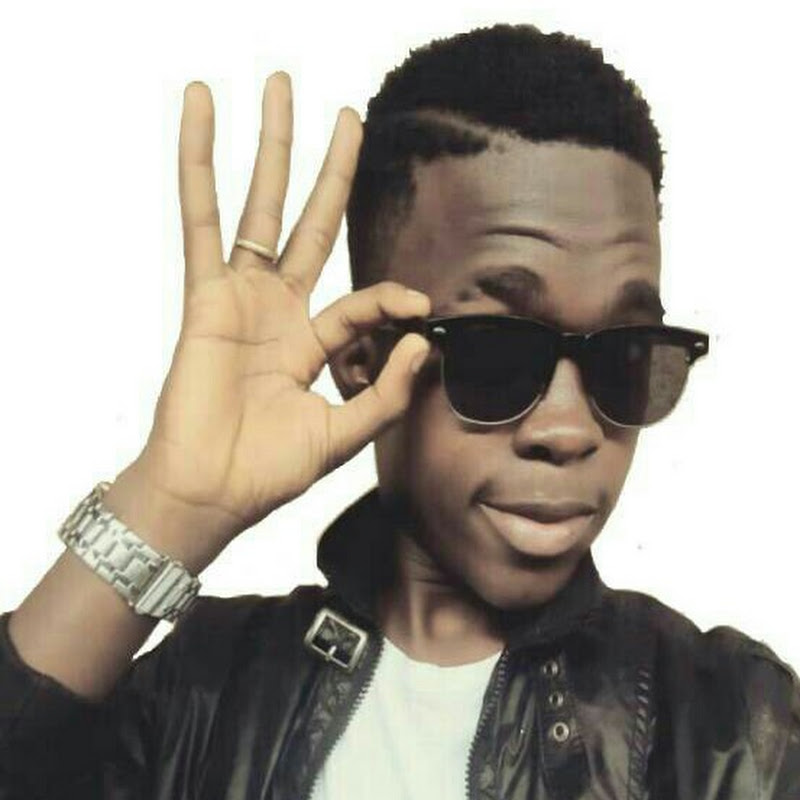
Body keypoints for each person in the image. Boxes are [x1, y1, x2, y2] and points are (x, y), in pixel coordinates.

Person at [0, 21, 797, 800]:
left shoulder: (734, 724)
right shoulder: (204, 693)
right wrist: (168, 504)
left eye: (625, 355)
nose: (570, 429)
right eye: (496, 352)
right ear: (365, 356)